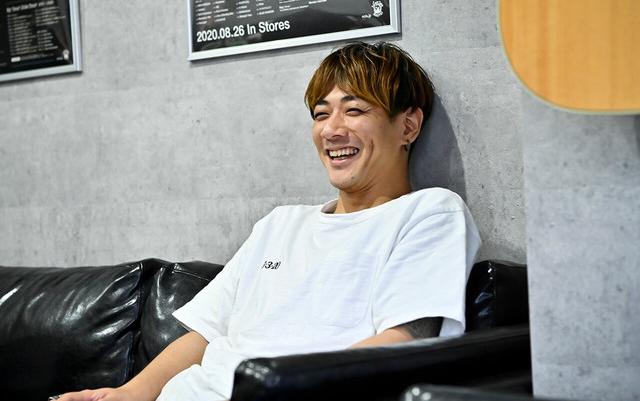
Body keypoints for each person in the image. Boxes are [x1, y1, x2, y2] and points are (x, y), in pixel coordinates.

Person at [58, 41, 481, 401]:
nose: (331, 130)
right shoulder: (279, 225)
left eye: (354, 110)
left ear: (408, 125)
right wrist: (128, 394)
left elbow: (405, 342)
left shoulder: (429, 213)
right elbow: (206, 335)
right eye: (321, 114)